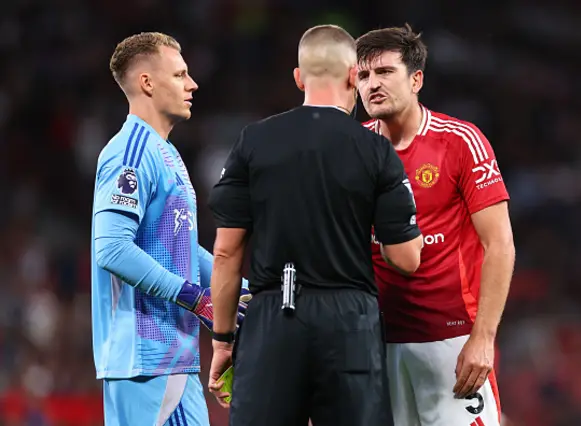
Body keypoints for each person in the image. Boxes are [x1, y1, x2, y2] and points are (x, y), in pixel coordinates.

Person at [206, 24, 424, 426]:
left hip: (273, 316)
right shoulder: (376, 150)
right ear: (353, 76)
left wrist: (223, 342)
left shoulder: (253, 141)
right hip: (350, 321)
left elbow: (226, 252)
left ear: (299, 77)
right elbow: (406, 258)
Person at [355, 24, 516, 426]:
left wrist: (483, 338)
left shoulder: (460, 141)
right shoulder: (351, 148)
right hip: (375, 346)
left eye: (385, 72)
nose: (372, 84)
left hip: (451, 343)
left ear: (416, 79)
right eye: (363, 75)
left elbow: (500, 244)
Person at [91, 32, 249, 426]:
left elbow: (180, 247)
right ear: (147, 83)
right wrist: (195, 297)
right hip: (139, 360)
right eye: (180, 74)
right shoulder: (129, 153)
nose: (192, 84)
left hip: (177, 355)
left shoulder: (167, 153)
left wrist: (242, 290)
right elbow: (110, 247)